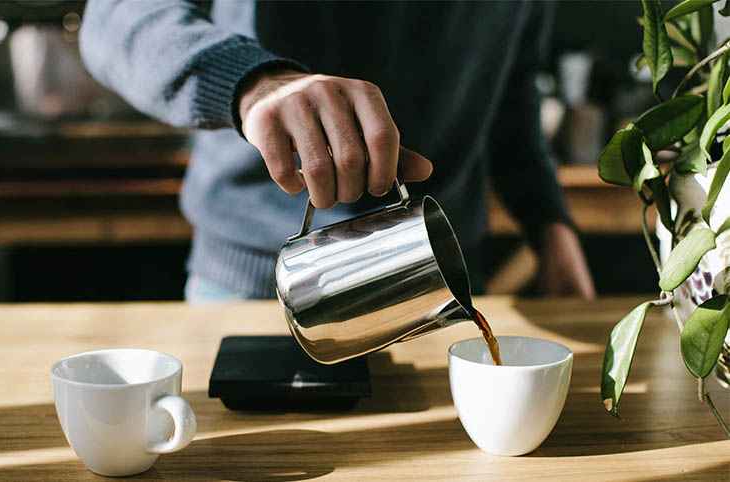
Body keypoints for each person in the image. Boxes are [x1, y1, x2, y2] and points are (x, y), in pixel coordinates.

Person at [79, 0, 595, 303]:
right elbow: (120, 16)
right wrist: (255, 83)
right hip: (259, 285)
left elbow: (509, 85)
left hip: (443, 276)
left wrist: (550, 227)